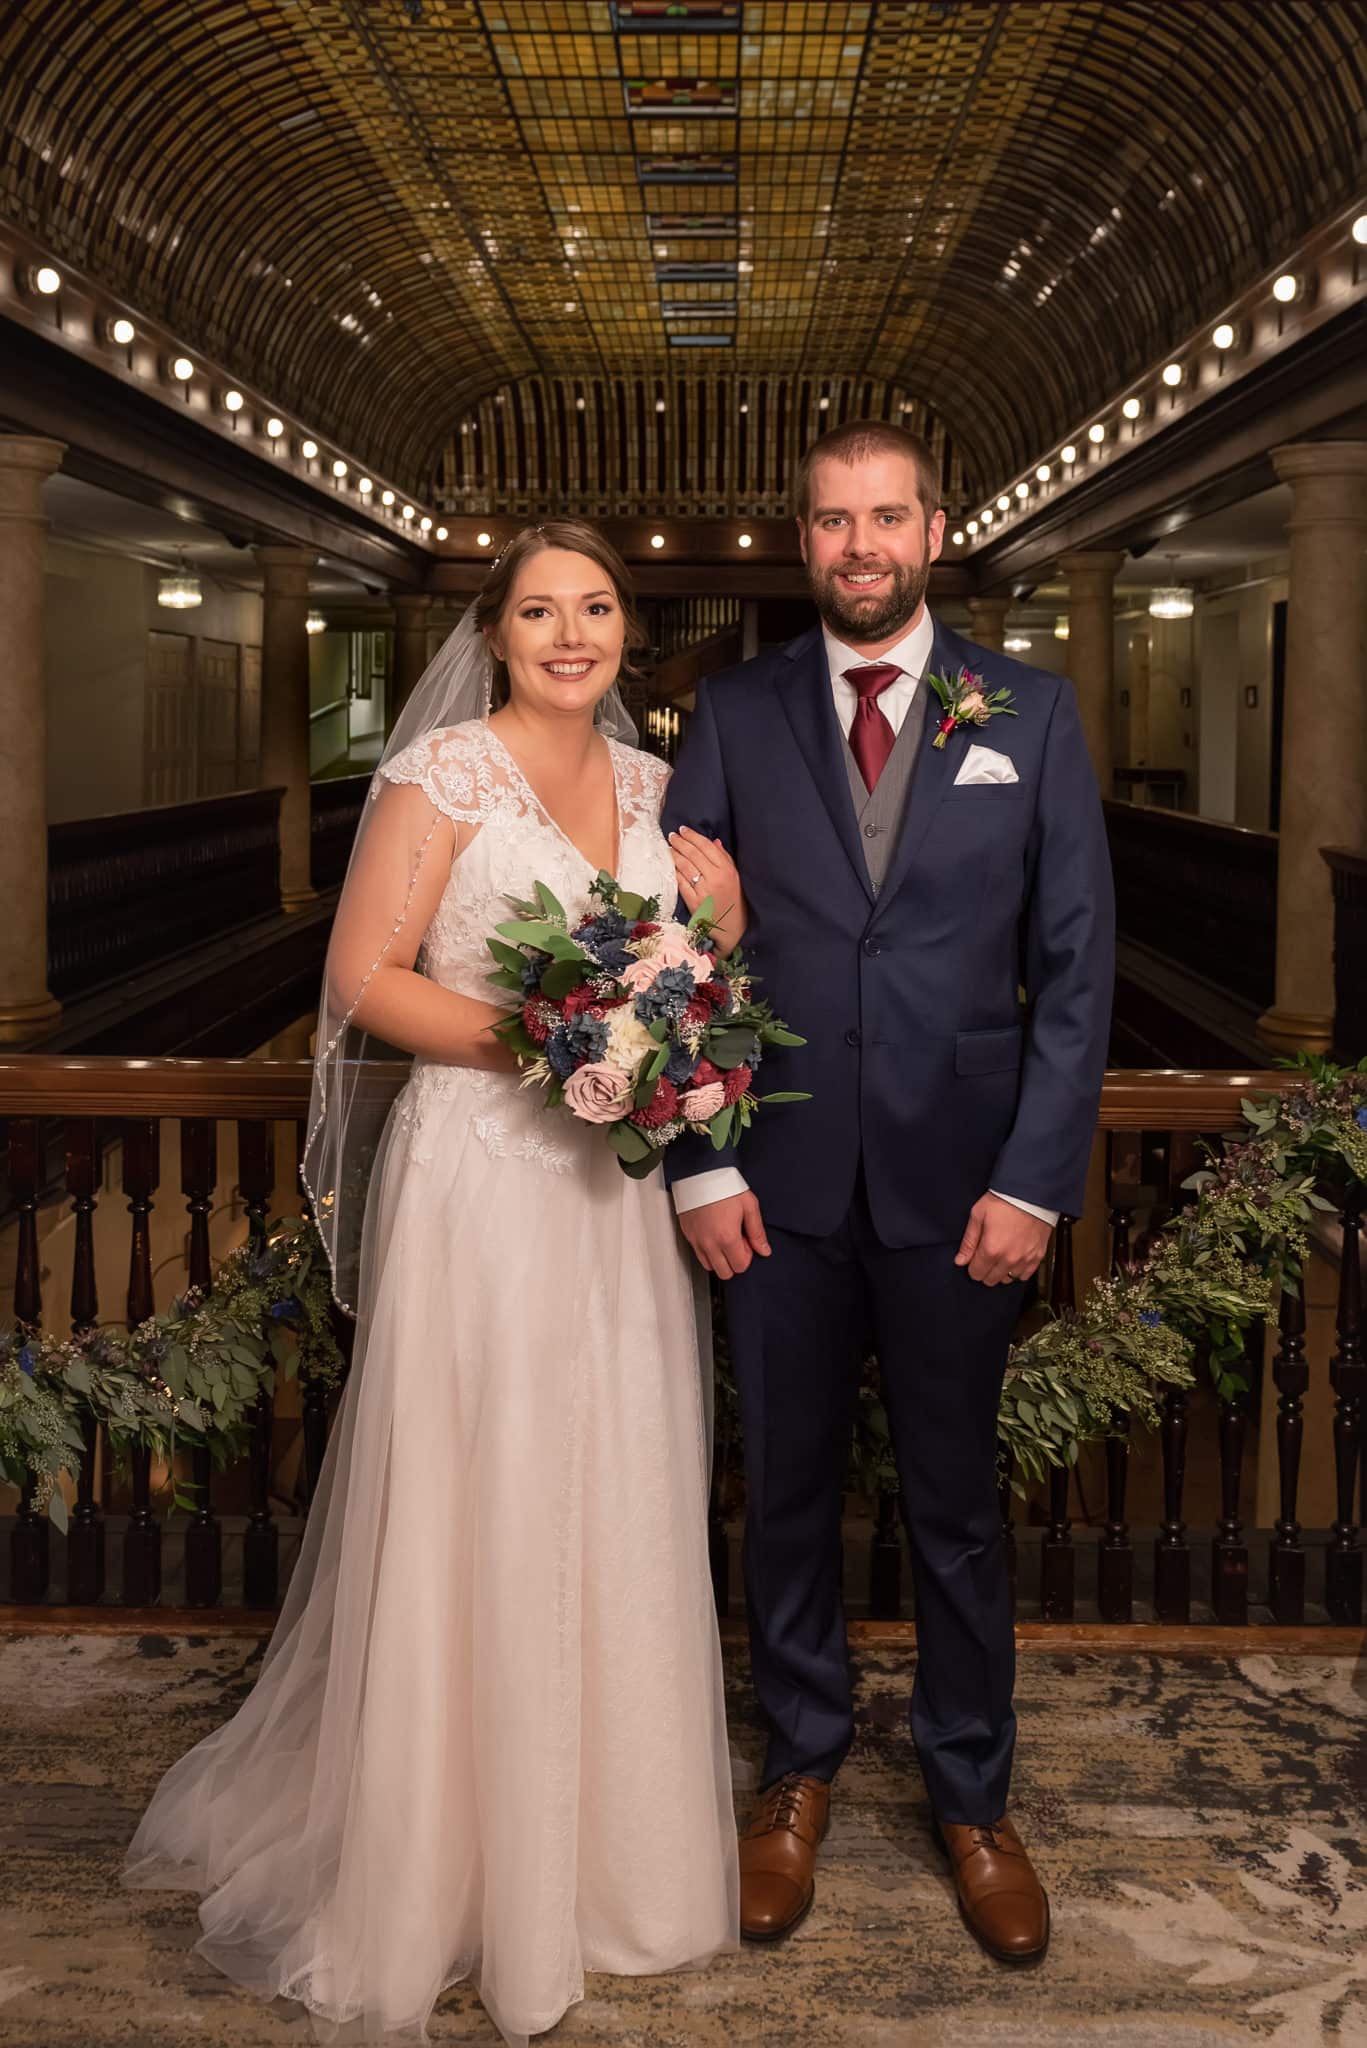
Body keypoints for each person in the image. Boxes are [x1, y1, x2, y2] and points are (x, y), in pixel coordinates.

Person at [122, 521, 743, 2045]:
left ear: (625, 633)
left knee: (615, 1477)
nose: (572, 632)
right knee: (486, 1482)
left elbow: (682, 981)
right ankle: (446, 1864)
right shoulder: (441, 777)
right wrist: (559, 1041)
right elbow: (368, 978)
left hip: (606, 1200)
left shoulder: (660, 790)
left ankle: (607, 1860)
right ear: (499, 631)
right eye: (541, 609)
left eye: (596, 607)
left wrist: (707, 937)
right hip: (484, 1179)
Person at [662, 420, 1115, 1965]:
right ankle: (794, 1775)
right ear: (803, 541)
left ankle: (974, 1799)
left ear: (937, 529)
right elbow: (675, 970)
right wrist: (704, 1158)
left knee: (956, 1512)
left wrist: (1035, 1187)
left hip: (960, 1190)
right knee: (779, 1495)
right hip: (769, 1190)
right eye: (832, 522)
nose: (860, 544)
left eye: (886, 517)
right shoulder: (728, 713)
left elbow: (1074, 977)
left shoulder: (1033, 715)